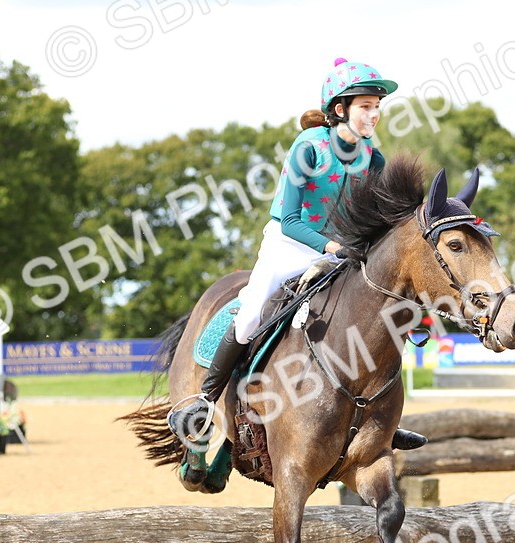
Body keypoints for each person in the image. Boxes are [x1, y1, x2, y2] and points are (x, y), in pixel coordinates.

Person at [168, 57, 427, 451]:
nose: (375, 114)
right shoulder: (308, 148)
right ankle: (204, 400)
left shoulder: (372, 157)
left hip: (341, 251)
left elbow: (379, 220)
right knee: (252, 312)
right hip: (290, 245)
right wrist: (331, 245)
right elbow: (289, 219)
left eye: (378, 107)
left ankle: (383, 419)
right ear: (340, 110)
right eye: (366, 106)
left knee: (378, 311)